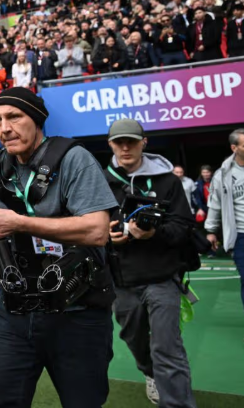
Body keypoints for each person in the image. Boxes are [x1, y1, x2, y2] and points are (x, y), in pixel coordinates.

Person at [0, 87, 116, 408]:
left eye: (14, 117)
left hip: (77, 313)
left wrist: (20, 223)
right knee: (3, 403)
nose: (5, 128)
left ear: (36, 120)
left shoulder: (73, 158)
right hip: (14, 313)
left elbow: (97, 230)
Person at [103, 119, 197, 407]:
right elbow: (89, 227)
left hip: (162, 277)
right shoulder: (101, 181)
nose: (125, 147)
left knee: (167, 348)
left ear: (144, 142)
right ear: (110, 144)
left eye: (132, 141)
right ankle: (150, 372)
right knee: (135, 340)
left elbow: (183, 227)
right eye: (119, 142)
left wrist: (154, 233)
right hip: (122, 281)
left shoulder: (168, 181)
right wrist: (109, 238)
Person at [205, 129, 244, 311]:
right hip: (241, 235)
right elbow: (215, 204)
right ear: (234, 148)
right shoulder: (222, 174)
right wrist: (211, 231)